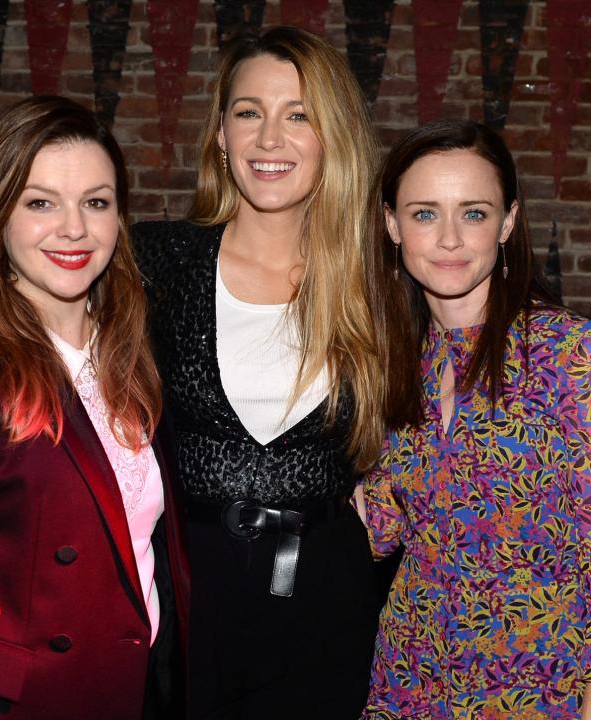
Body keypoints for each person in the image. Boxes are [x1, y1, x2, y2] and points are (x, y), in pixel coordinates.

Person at [0, 96, 189, 720]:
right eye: (40, 202)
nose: (73, 229)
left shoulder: (127, 347)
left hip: (136, 688)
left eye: (96, 203)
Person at [132, 26, 385, 719]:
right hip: (187, 595)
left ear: (331, 136)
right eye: (249, 112)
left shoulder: (377, 284)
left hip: (329, 599)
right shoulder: (153, 262)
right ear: (221, 135)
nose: (270, 139)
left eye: (298, 115)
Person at [363, 118, 591, 718]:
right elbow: (383, 530)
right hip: (410, 685)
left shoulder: (568, 355)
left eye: (473, 213)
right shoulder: (398, 368)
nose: (448, 240)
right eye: (423, 214)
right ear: (391, 225)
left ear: (508, 221)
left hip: (542, 692)